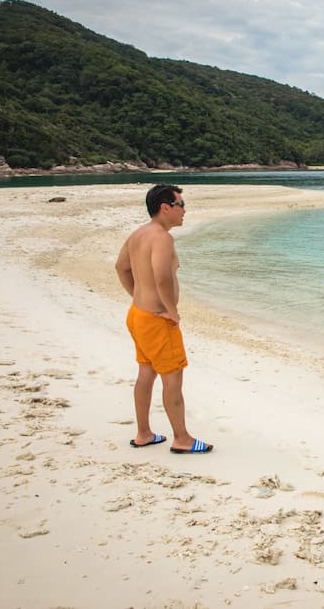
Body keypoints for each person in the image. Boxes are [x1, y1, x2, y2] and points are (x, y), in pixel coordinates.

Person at [115, 183, 212, 454]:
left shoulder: (138, 234)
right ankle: (182, 439)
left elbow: (121, 268)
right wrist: (171, 310)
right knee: (172, 380)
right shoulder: (161, 238)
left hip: (138, 315)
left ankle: (144, 433)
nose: (184, 211)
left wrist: (138, 297)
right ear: (165, 208)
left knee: (146, 374)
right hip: (157, 321)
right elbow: (162, 277)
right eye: (181, 205)